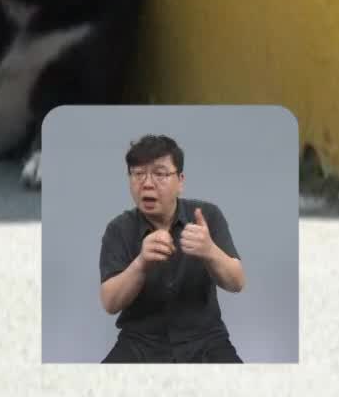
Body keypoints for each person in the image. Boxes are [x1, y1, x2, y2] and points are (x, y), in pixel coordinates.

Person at [96, 133, 247, 362]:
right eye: (138, 174)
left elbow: (237, 282)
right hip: (140, 343)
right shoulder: (118, 229)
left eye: (159, 174)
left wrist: (210, 251)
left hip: (206, 341)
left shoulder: (207, 217)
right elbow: (110, 302)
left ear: (181, 181)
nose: (147, 183)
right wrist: (140, 264)